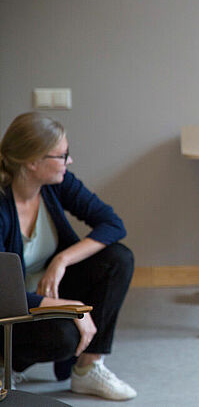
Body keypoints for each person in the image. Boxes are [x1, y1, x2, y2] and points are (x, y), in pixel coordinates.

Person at [0, 112, 136, 401]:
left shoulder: (56, 183)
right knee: (64, 337)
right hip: (9, 304)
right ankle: (6, 362)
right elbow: (3, 293)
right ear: (33, 161)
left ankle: (89, 369)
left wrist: (62, 261)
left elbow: (112, 223)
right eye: (62, 155)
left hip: (45, 291)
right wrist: (67, 305)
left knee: (118, 258)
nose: (69, 161)